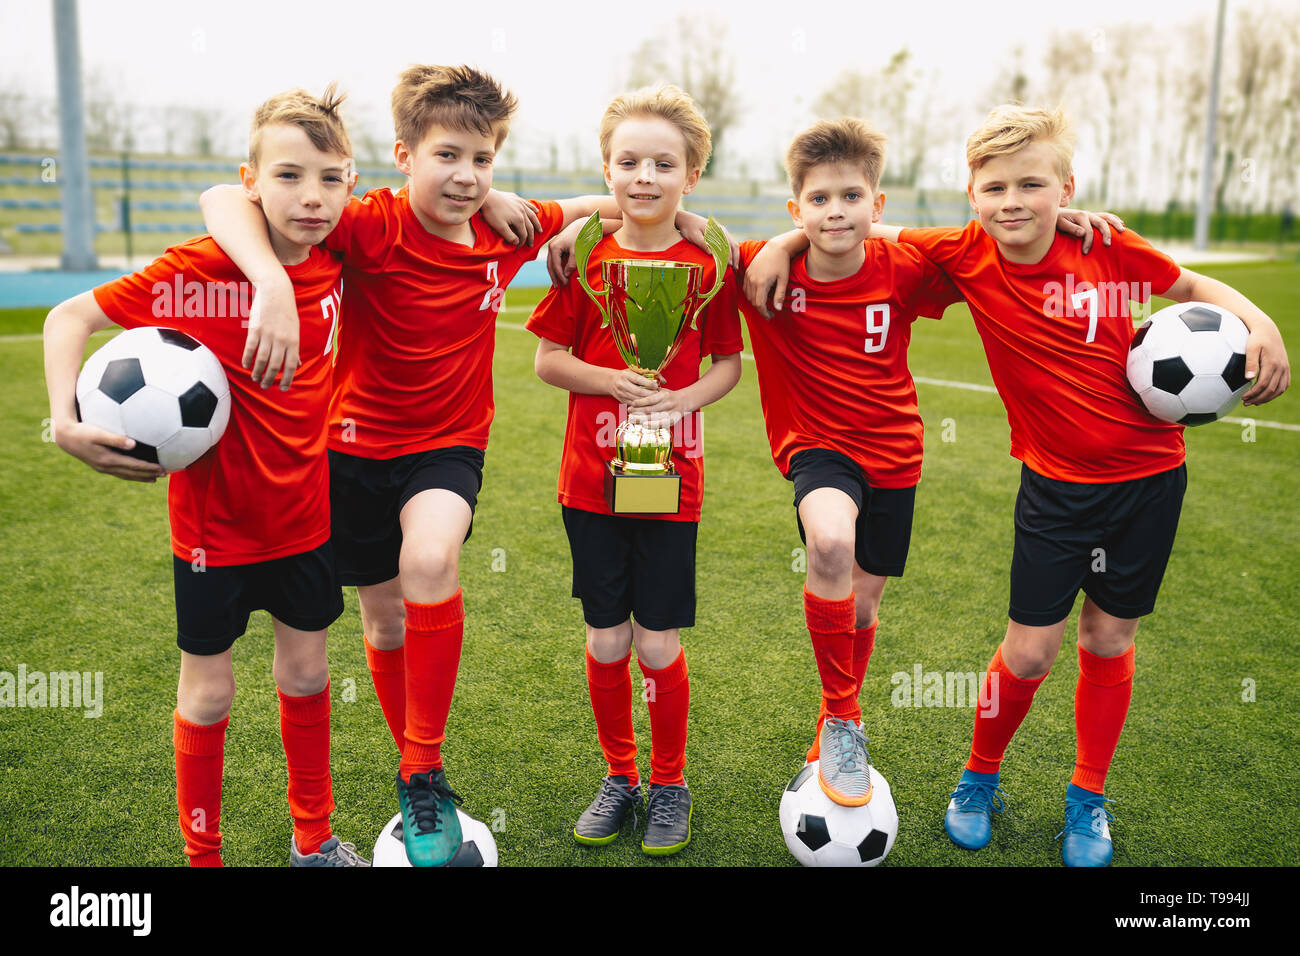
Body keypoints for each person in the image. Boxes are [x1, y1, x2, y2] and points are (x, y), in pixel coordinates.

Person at [199, 65, 728, 867]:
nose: (466, 176)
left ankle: (423, 765)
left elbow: (622, 201)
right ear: (405, 155)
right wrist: (270, 280)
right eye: (448, 155)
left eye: (483, 160)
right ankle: (415, 769)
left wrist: (687, 220)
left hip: (449, 447)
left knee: (432, 557)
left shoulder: (502, 225)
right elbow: (222, 198)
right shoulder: (368, 222)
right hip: (350, 448)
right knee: (381, 621)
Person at [745, 104, 1290, 866]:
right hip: (1055, 490)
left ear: (1065, 187)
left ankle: (1087, 799)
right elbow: (855, 225)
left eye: (1032, 184)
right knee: (1030, 654)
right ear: (972, 194)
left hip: (1151, 481)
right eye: (995, 186)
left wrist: (1258, 320)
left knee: (1109, 638)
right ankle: (978, 778)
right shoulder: (964, 252)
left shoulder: (1110, 247)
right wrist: (783, 238)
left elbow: (1190, 281)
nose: (1012, 201)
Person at [43, 85, 367, 866]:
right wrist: (62, 419)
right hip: (210, 536)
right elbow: (68, 318)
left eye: (331, 178)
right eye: (288, 176)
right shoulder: (197, 272)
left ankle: (313, 843)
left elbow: (441, 195)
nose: (312, 196)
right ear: (253, 181)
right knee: (210, 692)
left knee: (308, 673)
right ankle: (202, 857)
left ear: (350, 184)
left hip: (306, 522)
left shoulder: (341, 252)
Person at [526, 84, 743, 855]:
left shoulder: (708, 263)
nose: (644, 176)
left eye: (662, 163)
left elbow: (729, 365)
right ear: (607, 169)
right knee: (608, 639)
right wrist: (608, 379)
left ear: (690, 173)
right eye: (628, 162)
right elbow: (548, 361)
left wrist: (682, 399)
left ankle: (671, 782)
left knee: (657, 643)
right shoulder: (583, 256)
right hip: (589, 482)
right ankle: (620, 775)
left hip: (670, 484)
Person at [735, 118, 963, 806]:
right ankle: (843, 718)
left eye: (851, 197)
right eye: (819, 200)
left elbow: (988, 256)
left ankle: (838, 713)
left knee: (861, 606)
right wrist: (778, 246)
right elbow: (668, 227)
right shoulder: (760, 266)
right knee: (829, 542)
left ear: (878, 204)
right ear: (795, 208)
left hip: (895, 450)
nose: (836, 212)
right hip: (817, 447)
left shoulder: (906, 271)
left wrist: (1068, 221)